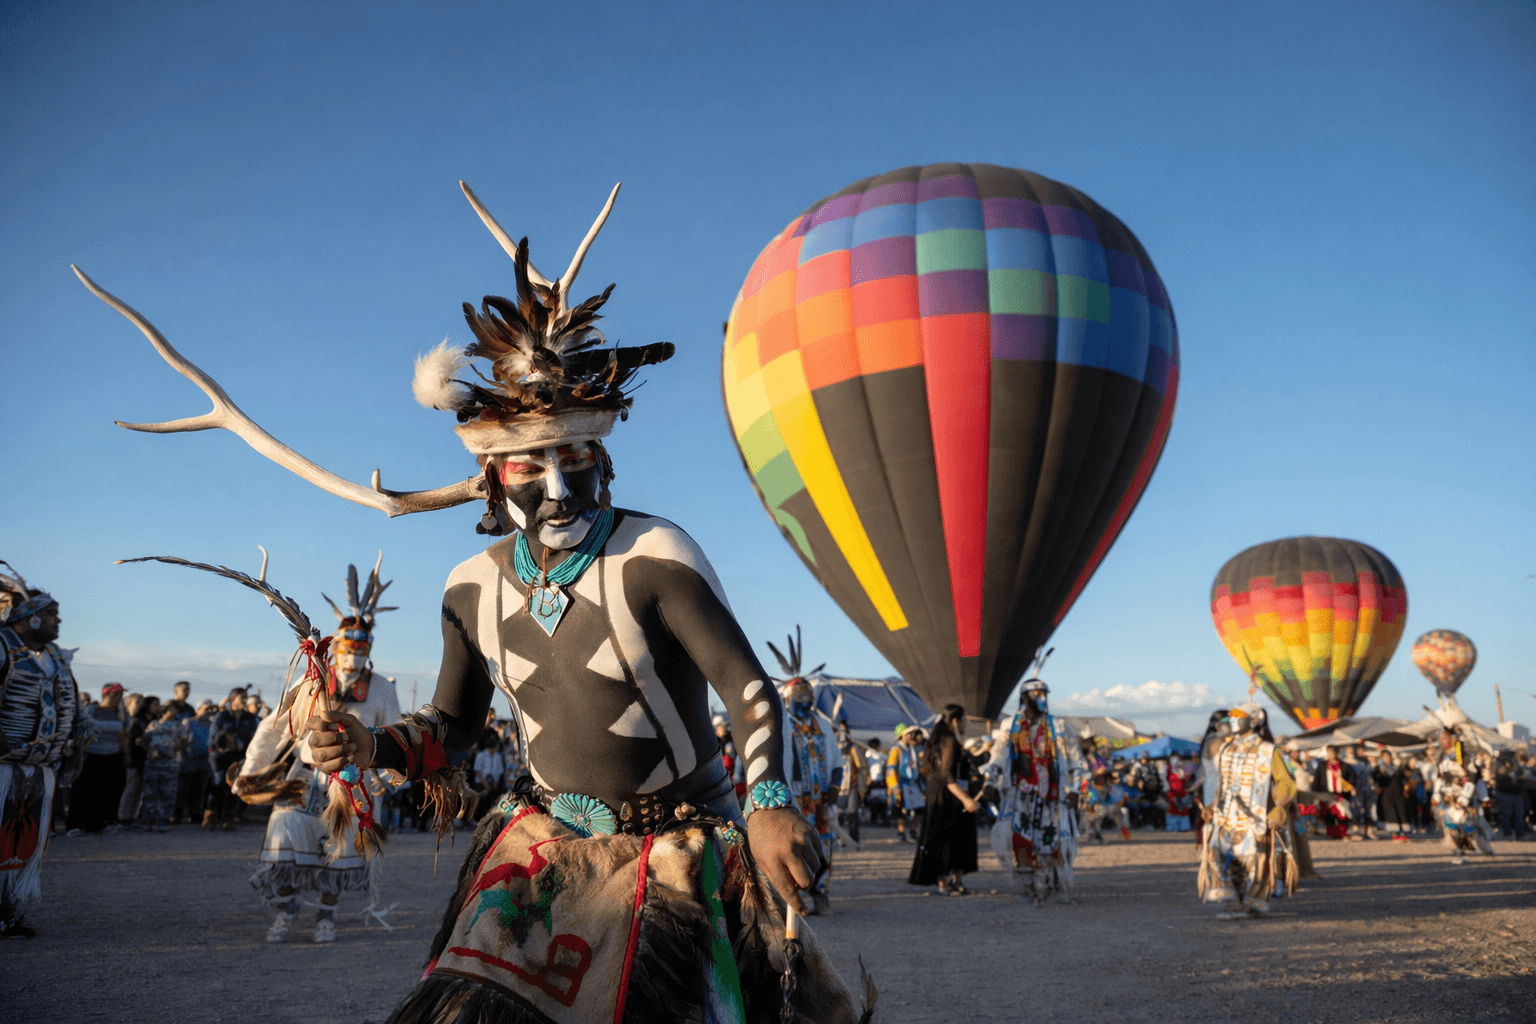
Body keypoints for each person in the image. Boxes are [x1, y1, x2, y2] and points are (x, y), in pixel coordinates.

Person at [104, 186, 870, 1020]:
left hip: (679, 846)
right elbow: (454, 729)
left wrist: (766, 806)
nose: (556, 483)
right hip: (539, 846)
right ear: (491, 479)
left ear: (605, 460)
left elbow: (753, 695)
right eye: (526, 464)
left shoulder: (654, 555)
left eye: (576, 454)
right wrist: (369, 742)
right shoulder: (470, 586)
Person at [233, 559, 402, 944]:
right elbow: (274, 727)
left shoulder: (382, 689)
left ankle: (326, 914)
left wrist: (390, 776)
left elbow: (392, 736)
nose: (354, 655)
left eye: (362, 648)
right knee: (283, 841)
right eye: (347, 646)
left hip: (352, 782)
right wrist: (251, 768)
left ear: (369, 650)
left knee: (340, 852)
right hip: (303, 779)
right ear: (334, 646)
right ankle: (286, 908)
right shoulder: (311, 683)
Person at [0, 563, 88, 938]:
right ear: (27, 618)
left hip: (40, 770)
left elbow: (75, 713)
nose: (58, 620)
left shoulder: (56, 657)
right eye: (51, 613)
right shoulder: (3, 648)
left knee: (24, 842)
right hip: (4, 767)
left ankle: (6, 912)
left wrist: (76, 749)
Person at [985, 677, 1085, 904]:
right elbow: (998, 756)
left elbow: (1076, 761)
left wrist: (1076, 790)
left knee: (1051, 840)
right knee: (1021, 839)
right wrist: (989, 782)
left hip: (1052, 795)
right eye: (1036, 694)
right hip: (1019, 795)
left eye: (1044, 695)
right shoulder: (1009, 726)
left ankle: (1049, 882)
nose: (1041, 699)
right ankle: (1028, 884)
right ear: (1024, 698)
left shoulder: (1058, 726)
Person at [1198, 704, 1297, 920]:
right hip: (1226, 815)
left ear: (1253, 721)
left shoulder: (1268, 750)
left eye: (1238, 717)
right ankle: (1235, 903)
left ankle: (1250, 905)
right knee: (1222, 858)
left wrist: (1279, 806)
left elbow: (1284, 781)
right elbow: (1221, 783)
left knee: (1255, 861)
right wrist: (1212, 806)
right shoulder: (1225, 749)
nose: (1232, 721)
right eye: (1231, 717)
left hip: (1256, 816)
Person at [769, 630, 836, 916]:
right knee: (791, 848)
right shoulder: (781, 727)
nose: (806, 704)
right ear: (787, 701)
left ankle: (820, 894)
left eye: (809, 699)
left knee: (823, 848)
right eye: (799, 699)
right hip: (792, 801)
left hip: (819, 803)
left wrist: (835, 786)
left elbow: (838, 762)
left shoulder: (825, 727)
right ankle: (794, 900)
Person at [909, 704, 978, 895]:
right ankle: (944, 882)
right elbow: (947, 775)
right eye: (963, 720)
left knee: (957, 839)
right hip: (947, 797)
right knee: (946, 839)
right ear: (955, 721)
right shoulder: (949, 741)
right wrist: (965, 799)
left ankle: (957, 879)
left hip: (943, 794)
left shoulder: (940, 740)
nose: (965, 724)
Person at [66, 684, 128, 835]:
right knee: (83, 791)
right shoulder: (93, 710)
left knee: (104, 792)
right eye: (116, 694)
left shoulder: (121, 713)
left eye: (121, 694)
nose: (119, 698)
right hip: (91, 755)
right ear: (105, 694)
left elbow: (124, 733)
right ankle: (75, 825)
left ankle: (96, 824)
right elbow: (82, 729)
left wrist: (127, 753)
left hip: (112, 755)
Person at [139, 703, 187, 831]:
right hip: (153, 763)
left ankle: (163, 821)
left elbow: (184, 741)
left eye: (175, 709)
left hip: (170, 763)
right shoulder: (154, 724)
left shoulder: (178, 725)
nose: (173, 712)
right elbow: (143, 740)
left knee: (168, 793)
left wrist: (174, 751)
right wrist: (150, 751)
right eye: (170, 709)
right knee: (149, 793)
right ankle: (147, 822)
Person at [1434, 761, 1492, 864]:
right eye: (1452, 773)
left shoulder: (1472, 782)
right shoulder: (1443, 783)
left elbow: (1481, 798)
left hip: (1467, 810)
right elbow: (1440, 798)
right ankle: (1458, 851)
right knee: (1452, 831)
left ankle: (1486, 849)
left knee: (1472, 832)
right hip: (1451, 810)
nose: (1455, 777)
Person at [176, 701, 215, 824]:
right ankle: (177, 814)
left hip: (205, 761)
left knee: (200, 789)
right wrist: (181, 756)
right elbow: (182, 739)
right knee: (183, 788)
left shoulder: (212, 724)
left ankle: (195, 814)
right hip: (188, 759)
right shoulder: (188, 722)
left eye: (210, 709)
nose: (208, 711)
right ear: (198, 709)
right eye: (205, 708)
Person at [887, 724, 927, 842]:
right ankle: (901, 833)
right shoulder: (896, 750)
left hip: (913, 784)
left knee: (920, 808)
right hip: (900, 785)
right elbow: (891, 768)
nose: (910, 736)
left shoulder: (912, 749)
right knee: (901, 810)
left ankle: (913, 830)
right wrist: (894, 786)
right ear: (902, 736)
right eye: (907, 733)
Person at [1374, 750, 1413, 840]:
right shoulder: (1379, 767)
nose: (1387, 758)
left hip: (1398, 793)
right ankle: (1394, 834)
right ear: (1382, 758)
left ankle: (1403, 833)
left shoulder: (1395, 767)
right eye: (1384, 757)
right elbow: (1376, 778)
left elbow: (1403, 777)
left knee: (1402, 813)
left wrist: (1406, 787)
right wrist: (1380, 773)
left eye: (1388, 756)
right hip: (1386, 794)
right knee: (1390, 814)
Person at [1165, 755, 1193, 832]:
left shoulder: (1182, 772)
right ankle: (1173, 827)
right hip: (1173, 794)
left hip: (1182, 794)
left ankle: (1184, 827)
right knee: (1173, 809)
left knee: (1183, 811)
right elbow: (1168, 773)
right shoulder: (1170, 773)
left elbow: (1187, 777)